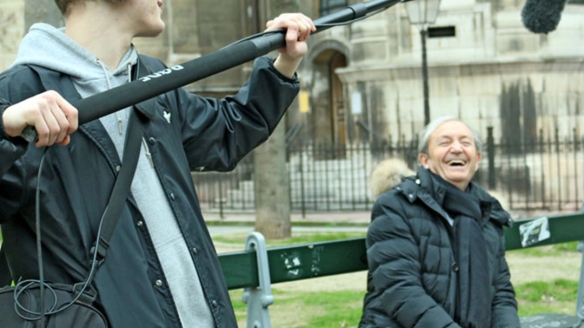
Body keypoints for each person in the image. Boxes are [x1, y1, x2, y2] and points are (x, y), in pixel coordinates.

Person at [0, 0, 315, 326]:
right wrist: (4, 126)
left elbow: (227, 134)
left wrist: (285, 62)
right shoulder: (19, 93)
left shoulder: (154, 79)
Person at [359, 116, 520, 328]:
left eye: (465, 142)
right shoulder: (395, 206)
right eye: (444, 142)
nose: (457, 149)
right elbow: (400, 290)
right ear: (425, 160)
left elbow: (500, 292)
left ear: (477, 159)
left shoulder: (487, 213)